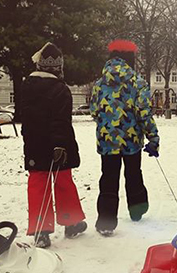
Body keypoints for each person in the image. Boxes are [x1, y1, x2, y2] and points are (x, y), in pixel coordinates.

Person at [20, 42, 87, 248]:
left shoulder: (26, 87)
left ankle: (41, 231)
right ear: (59, 68)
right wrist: (59, 145)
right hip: (59, 147)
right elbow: (60, 121)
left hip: (34, 145)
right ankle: (71, 222)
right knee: (64, 183)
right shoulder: (60, 89)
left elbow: (26, 118)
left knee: (38, 185)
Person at [89, 39, 159, 236]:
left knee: (108, 178)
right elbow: (143, 113)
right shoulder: (138, 83)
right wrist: (153, 137)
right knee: (133, 173)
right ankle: (137, 210)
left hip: (107, 141)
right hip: (131, 140)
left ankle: (106, 221)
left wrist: (107, 126)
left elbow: (94, 111)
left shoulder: (99, 84)